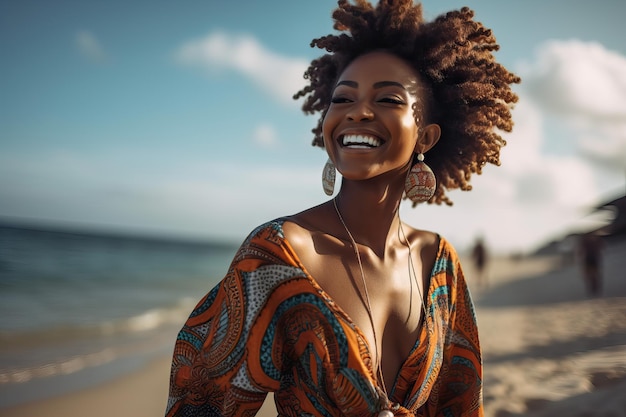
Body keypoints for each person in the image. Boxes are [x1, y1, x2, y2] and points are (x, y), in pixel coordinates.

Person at [165, 1, 519, 416]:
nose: (358, 111)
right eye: (342, 98)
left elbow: (462, 406)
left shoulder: (439, 264)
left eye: (388, 98)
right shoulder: (279, 254)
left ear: (426, 137)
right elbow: (199, 405)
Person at [578, 233, 604, 297]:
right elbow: (601, 247)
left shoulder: (585, 240)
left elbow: (580, 251)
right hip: (592, 258)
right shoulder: (593, 239)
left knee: (591, 275)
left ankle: (594, 289)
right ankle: (594, 289)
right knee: (592, 275)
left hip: (590, 258)